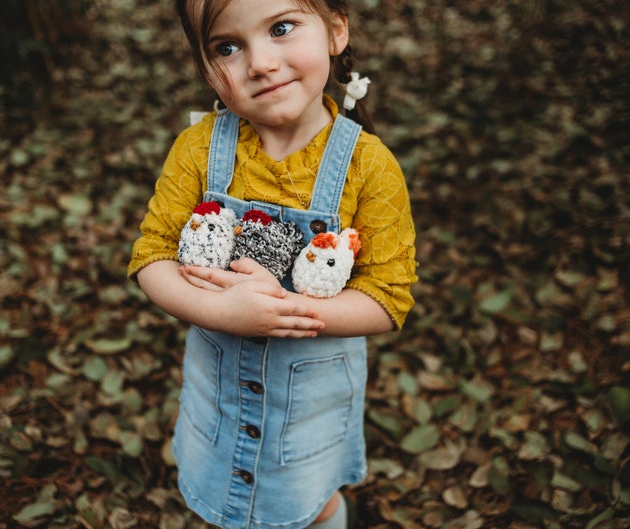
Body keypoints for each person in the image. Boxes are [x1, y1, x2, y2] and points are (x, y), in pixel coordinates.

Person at [127, 0, 417, 528]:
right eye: (227, 47)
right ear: (205, 65)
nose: (259, 62)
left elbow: (387, 298)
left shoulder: (368, 166)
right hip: (219, 395)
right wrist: (219, 311)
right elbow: (151, 258)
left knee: (307, 503)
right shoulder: (197, 151)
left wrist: (286, 309)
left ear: (336, 30)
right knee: (226, 499)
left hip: (308, 408)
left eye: (281, 28)